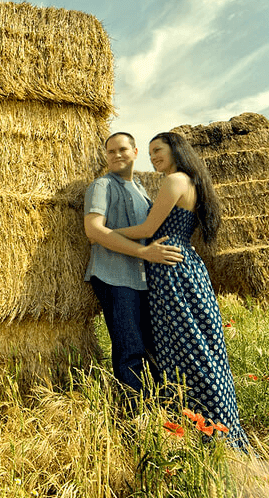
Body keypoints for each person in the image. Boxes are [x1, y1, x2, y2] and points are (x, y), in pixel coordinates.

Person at [112, 131, 249, 448]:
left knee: (188, 350)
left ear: (175, 149)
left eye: (158, 150)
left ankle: (209, 433)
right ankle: (213, 428)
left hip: (172, 271)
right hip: (182, 266)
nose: (153, 157)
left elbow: (148, 230)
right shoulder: (189, 181)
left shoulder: (175, 181)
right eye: (149, 153)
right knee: (199, 349)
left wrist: (106, 231)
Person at [83, 132, 183, 396]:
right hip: (114, 276)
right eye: (111, 151)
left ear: (135, 152)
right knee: (130, 348)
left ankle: (161, 411)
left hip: (142, 278)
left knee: (153, 345)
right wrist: (144, 253)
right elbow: (93, 230)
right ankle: (134, 416)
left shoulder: (140, 188)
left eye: (123, 150)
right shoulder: (102, 186)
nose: (117, 155)